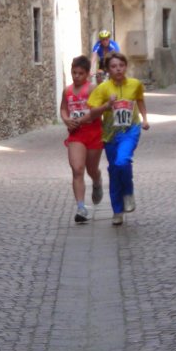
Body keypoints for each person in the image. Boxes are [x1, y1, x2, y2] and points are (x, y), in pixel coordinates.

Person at [87, 52, 150, 225]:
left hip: (130, 130)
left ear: (126, 67)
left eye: (121, 66)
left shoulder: (135, 84)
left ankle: (128, 193)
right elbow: (92, 112)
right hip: (110, 135)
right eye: (114, 66)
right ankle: (117, 211)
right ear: (108, 70)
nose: (118, 69)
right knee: (114, 171)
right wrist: (107, 105)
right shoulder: (103, 88)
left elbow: (140, 99)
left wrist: (145, 119)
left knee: (123, 161)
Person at [60, 55, 107, 223]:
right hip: (76, 134)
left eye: (80, 73)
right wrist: (66, 120)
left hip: (94, 132)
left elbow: (97, 111)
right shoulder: (67, 91)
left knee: (91, 169)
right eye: (74, 72)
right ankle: (81, 207)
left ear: (87, 74)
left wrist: (81, 119)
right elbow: (63, 109)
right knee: (77, 169)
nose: (76, 76)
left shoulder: (92, 89)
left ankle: (97, 180)